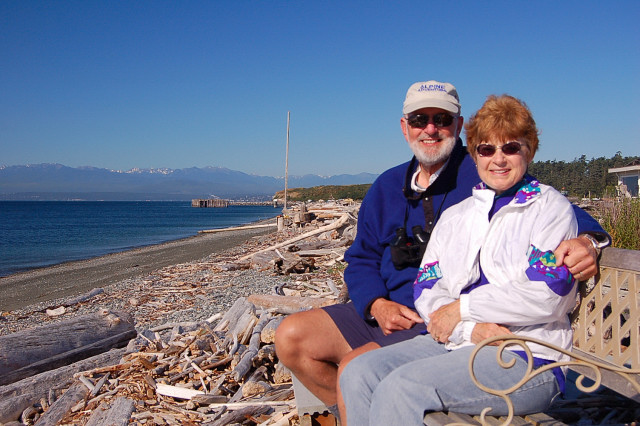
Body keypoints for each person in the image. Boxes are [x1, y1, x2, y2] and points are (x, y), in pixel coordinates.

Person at [275, 81, 608, 418]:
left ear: (459, 128)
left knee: (369, 374)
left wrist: (589, 240)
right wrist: (376, 304)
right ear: (405, 127)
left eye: (442, 119)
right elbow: (369, 261)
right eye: (420, 119)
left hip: (491, 338)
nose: (431, 129)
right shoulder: (399, 190)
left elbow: (560, 220)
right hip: (421, 318)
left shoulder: (492, 179)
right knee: (327, 357)